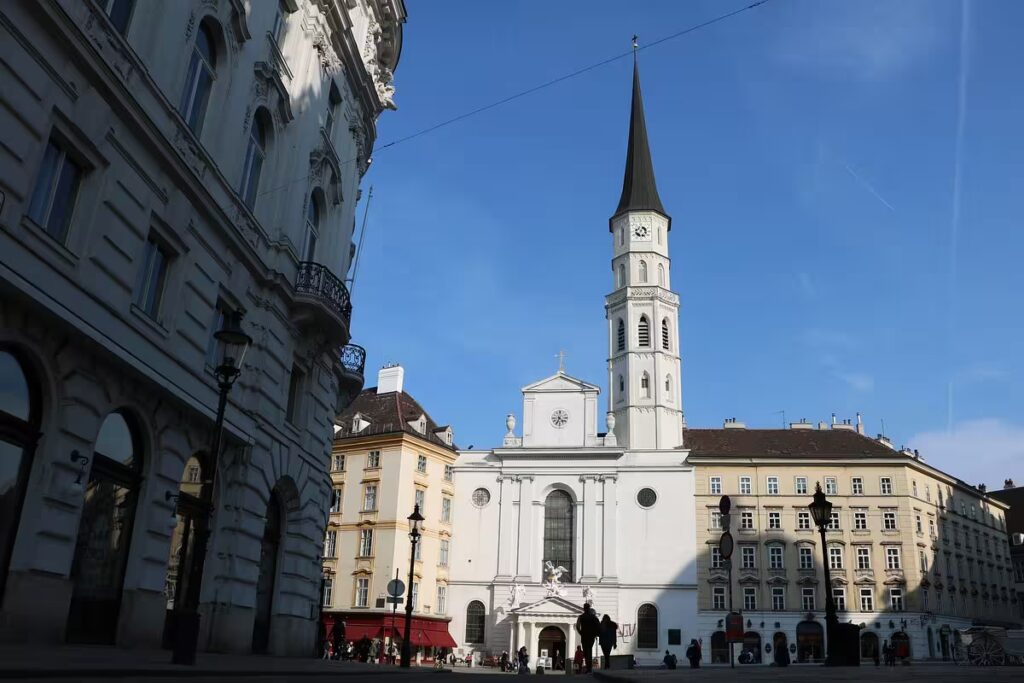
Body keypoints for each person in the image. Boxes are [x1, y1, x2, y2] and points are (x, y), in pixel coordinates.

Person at [574, 603, 601, 673]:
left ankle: (588, 668)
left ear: (584, 608)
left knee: (586, 652)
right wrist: (595, 634)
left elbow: (577, 626)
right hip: (591, 636)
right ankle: (589, 668)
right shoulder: (593, 617)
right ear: (589, 608)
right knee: (589, 650)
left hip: (584, 636)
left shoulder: (581, 617)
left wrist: (581, 633)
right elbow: (598, 625)